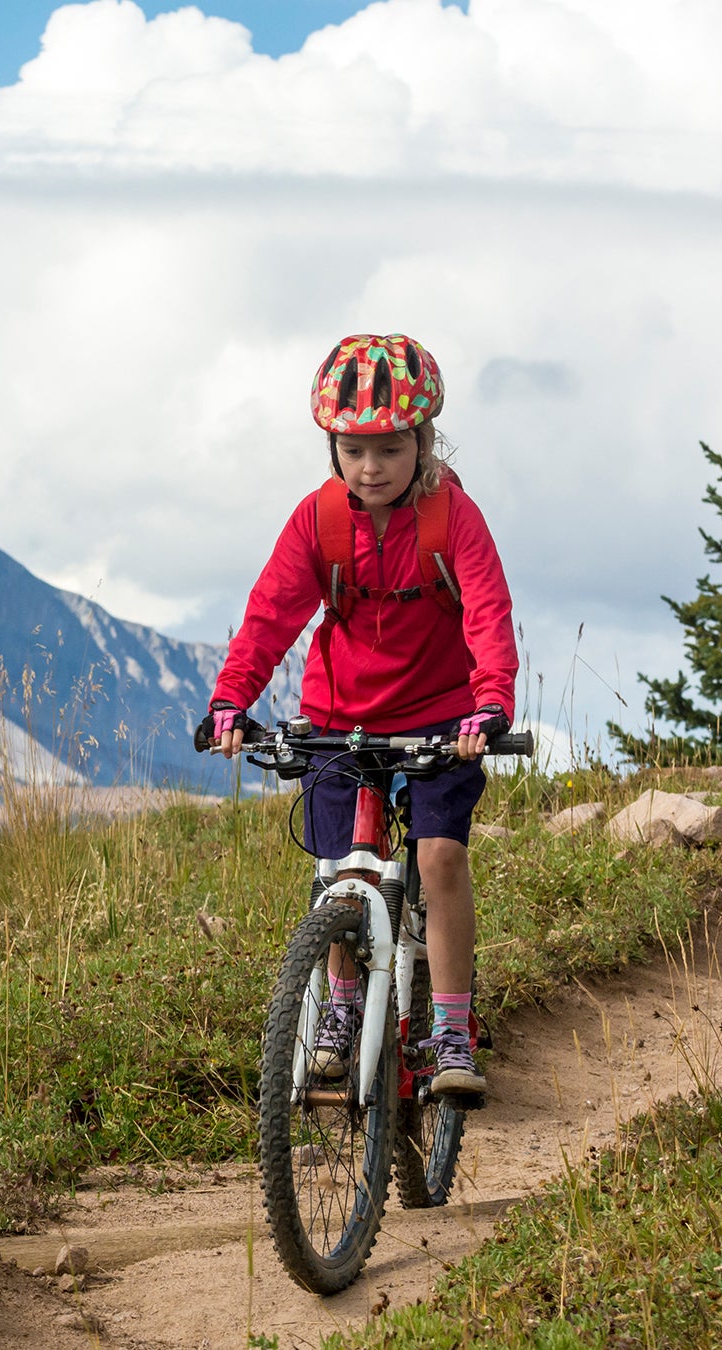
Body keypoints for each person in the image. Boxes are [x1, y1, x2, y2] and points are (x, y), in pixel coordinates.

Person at [206, 333, 517, 1096]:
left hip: (444, 721)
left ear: (421, 441)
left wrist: (491, 704)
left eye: (386, 448)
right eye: (352, 449)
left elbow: (487, 614)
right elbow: (270, 614)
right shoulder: (318, 521)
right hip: (338, 717)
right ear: (332, 447)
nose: (369, 467)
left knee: (439, 857)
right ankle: (341, 1009)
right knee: (349, 872)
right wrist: (231, 697)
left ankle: (450, 1031)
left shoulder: (453, 518)